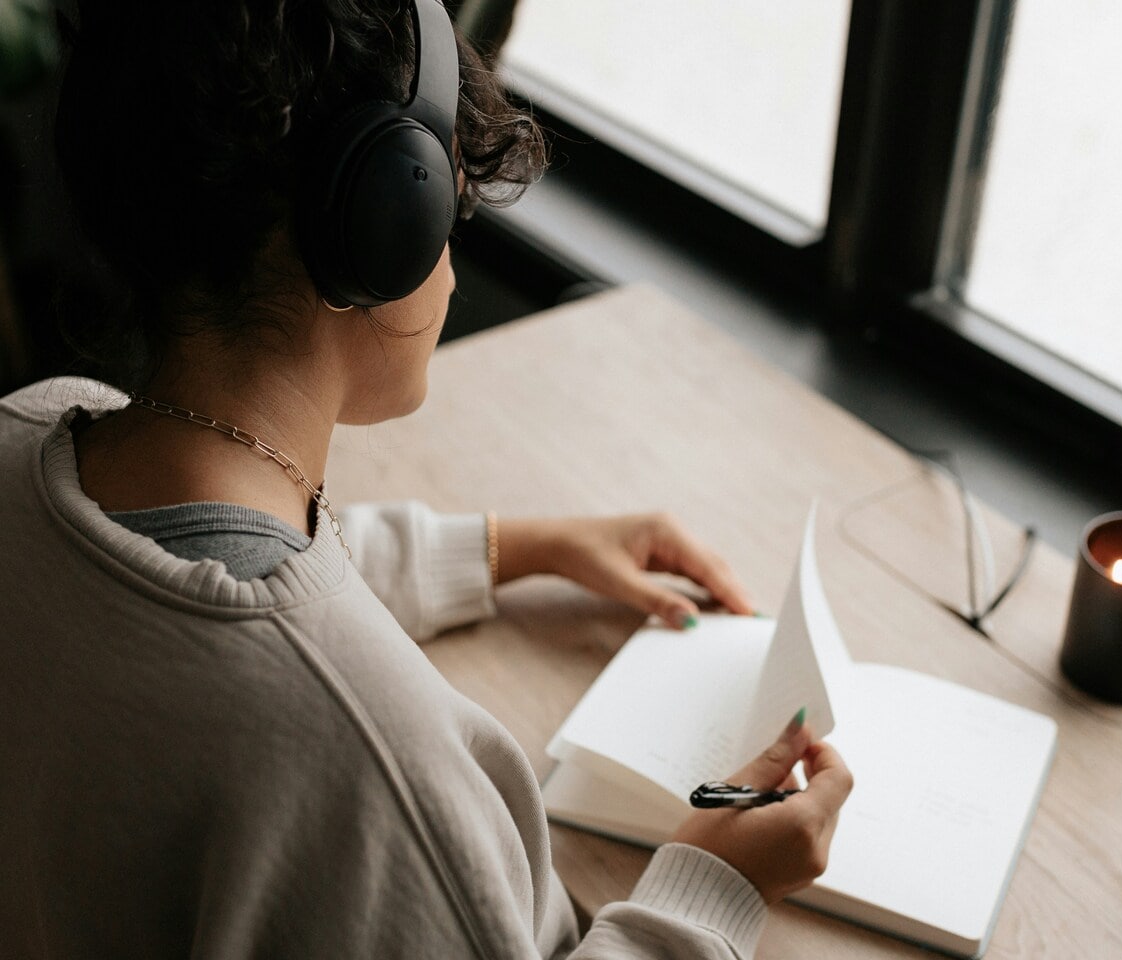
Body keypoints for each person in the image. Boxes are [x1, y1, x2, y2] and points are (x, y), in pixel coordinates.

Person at [0, 1, 853, 957]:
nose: (447, 266)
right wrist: (714, 888)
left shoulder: (27, 430)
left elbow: (205, 581)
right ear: (377, 233)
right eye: (445, 221)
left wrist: (507, 548)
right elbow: (289, 655)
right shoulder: (372, 772)